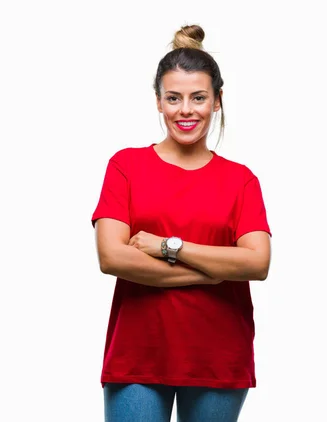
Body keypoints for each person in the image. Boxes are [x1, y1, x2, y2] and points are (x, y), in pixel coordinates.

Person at [91, 24, 272, 422]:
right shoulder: (126, 167)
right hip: (137, 356)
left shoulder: (241, 180)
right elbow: (111, 257)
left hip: (218, 358)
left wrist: (167, 247)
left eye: (198, 98)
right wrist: (212, 272)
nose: (185, 110)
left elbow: (257, 264)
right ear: (158, 101)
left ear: (218, 101)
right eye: (173, 98)